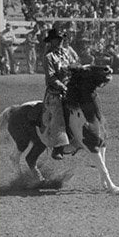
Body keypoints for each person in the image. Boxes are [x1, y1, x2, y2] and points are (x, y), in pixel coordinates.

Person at [41, 29, 77, 159]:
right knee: (58, 114)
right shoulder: (48, 57)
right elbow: (51, 77)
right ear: (51, 41)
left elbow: (74, 65)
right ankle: (58, 147)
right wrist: (63, 87)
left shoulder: (67, 53)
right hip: (56, 92)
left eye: (61, 39)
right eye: (57, 39)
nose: (60, 41)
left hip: (70, 87)